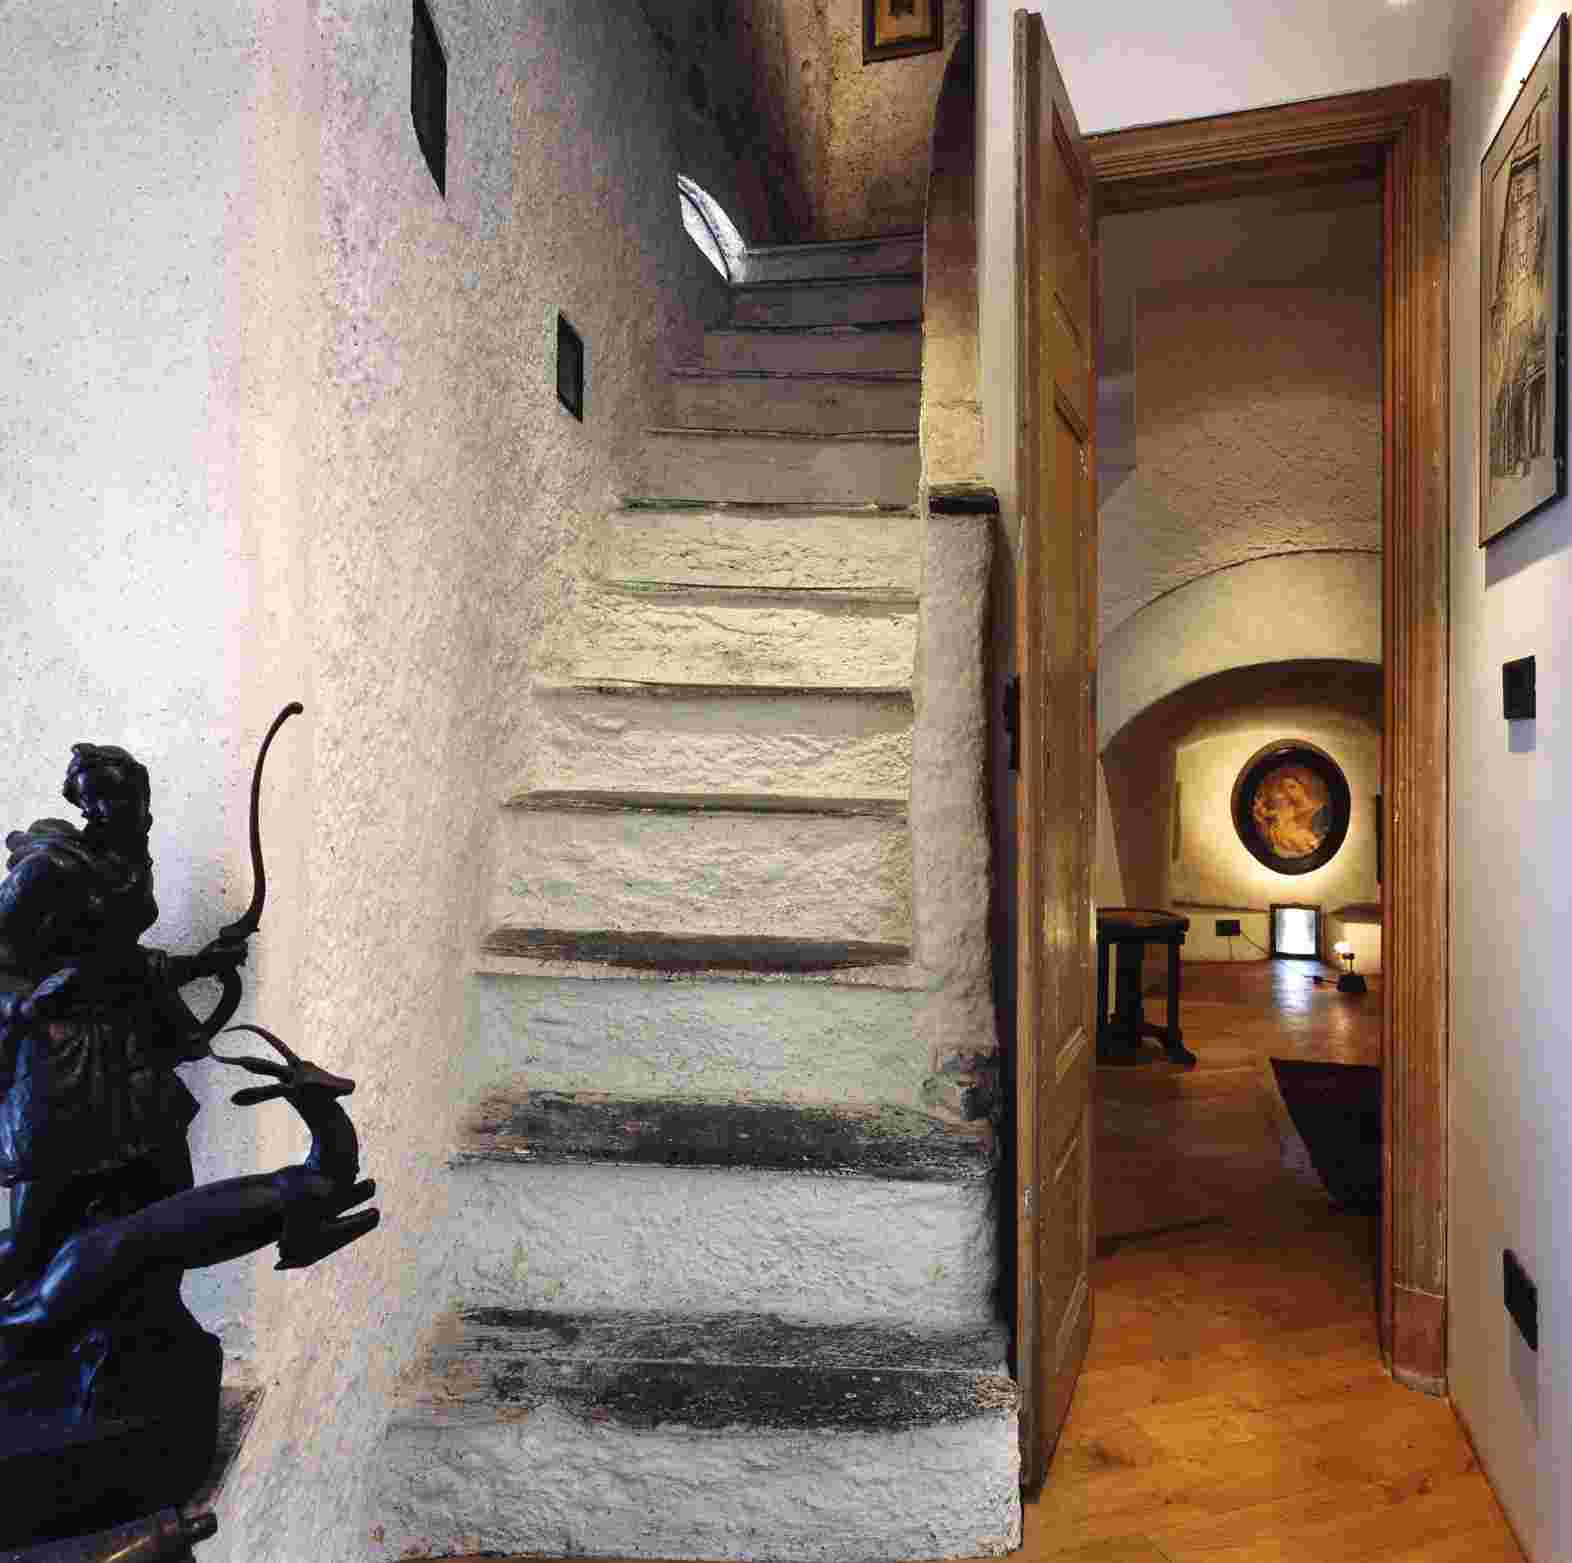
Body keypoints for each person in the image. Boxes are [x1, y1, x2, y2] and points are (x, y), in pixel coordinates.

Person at [0, 744, 244, 1300]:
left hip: (130, 1063)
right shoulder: (50, 869)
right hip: (61, 1069)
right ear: (85, 806)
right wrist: (27, 1007)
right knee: (30, 1246)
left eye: (127, 797)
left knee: (168, 1215)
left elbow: (117, 962)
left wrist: (197, 965)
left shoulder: (128, 866)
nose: (114, 810)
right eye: (100, 800)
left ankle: (149, 1333)